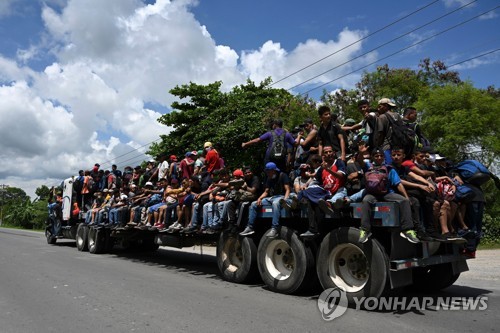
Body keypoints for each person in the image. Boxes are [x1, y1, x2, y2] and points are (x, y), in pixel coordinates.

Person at [357, 146, 420, 244]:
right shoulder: (368, 167)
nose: (378, 157)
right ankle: (365, 230)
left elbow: (398, 184)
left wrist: (406, 197)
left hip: (386, 193)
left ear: (383, 157)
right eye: (376, 156)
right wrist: (361, 153)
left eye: (380, 156)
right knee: (366, 201)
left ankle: (407, 230)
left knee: (404, 201)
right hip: (372, 194)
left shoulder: (389, 169)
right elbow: (359, 161)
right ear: (373, 157)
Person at [240, 162, 291, 238]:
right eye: (266, 171)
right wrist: (260, 198)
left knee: (275, 203)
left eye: (268, 171)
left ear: (273, 170)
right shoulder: (269, 178)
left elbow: (288, 189)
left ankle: (275, 228)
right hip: (272, 197)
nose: (267, 172)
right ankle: (250, 227)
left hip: (281, 196)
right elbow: (266, 191)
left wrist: (285, 200)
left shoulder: (283, 175)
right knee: (254, 204)